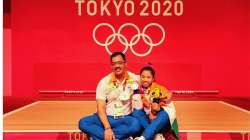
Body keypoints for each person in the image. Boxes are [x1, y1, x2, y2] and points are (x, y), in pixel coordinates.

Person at [79, 52, 141, 140]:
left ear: (125, 64)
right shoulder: (104, 82)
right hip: (107, 117)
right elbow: (100, 108)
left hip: (125, 118)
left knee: (136, 125)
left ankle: (102, 137)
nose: (117, 66)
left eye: (119, 63)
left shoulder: (134, 78)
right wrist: (107, 128)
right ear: (111, 66)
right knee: (83, 123)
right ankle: (119, 137)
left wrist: (166, 94)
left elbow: (149, 81)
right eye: (114, 64)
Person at [132, 65, 179, 140]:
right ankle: (156, 136)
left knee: (164, 114)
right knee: (136, 113)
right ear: (140, 77)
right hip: (146, 119)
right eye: (143, 77)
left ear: (153, 79)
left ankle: (144, 137)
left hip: (159, 118)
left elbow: (168, 95)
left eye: (148, 77)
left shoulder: (158, 88)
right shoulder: (136, 89)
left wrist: (157, 106)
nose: (145, 80)